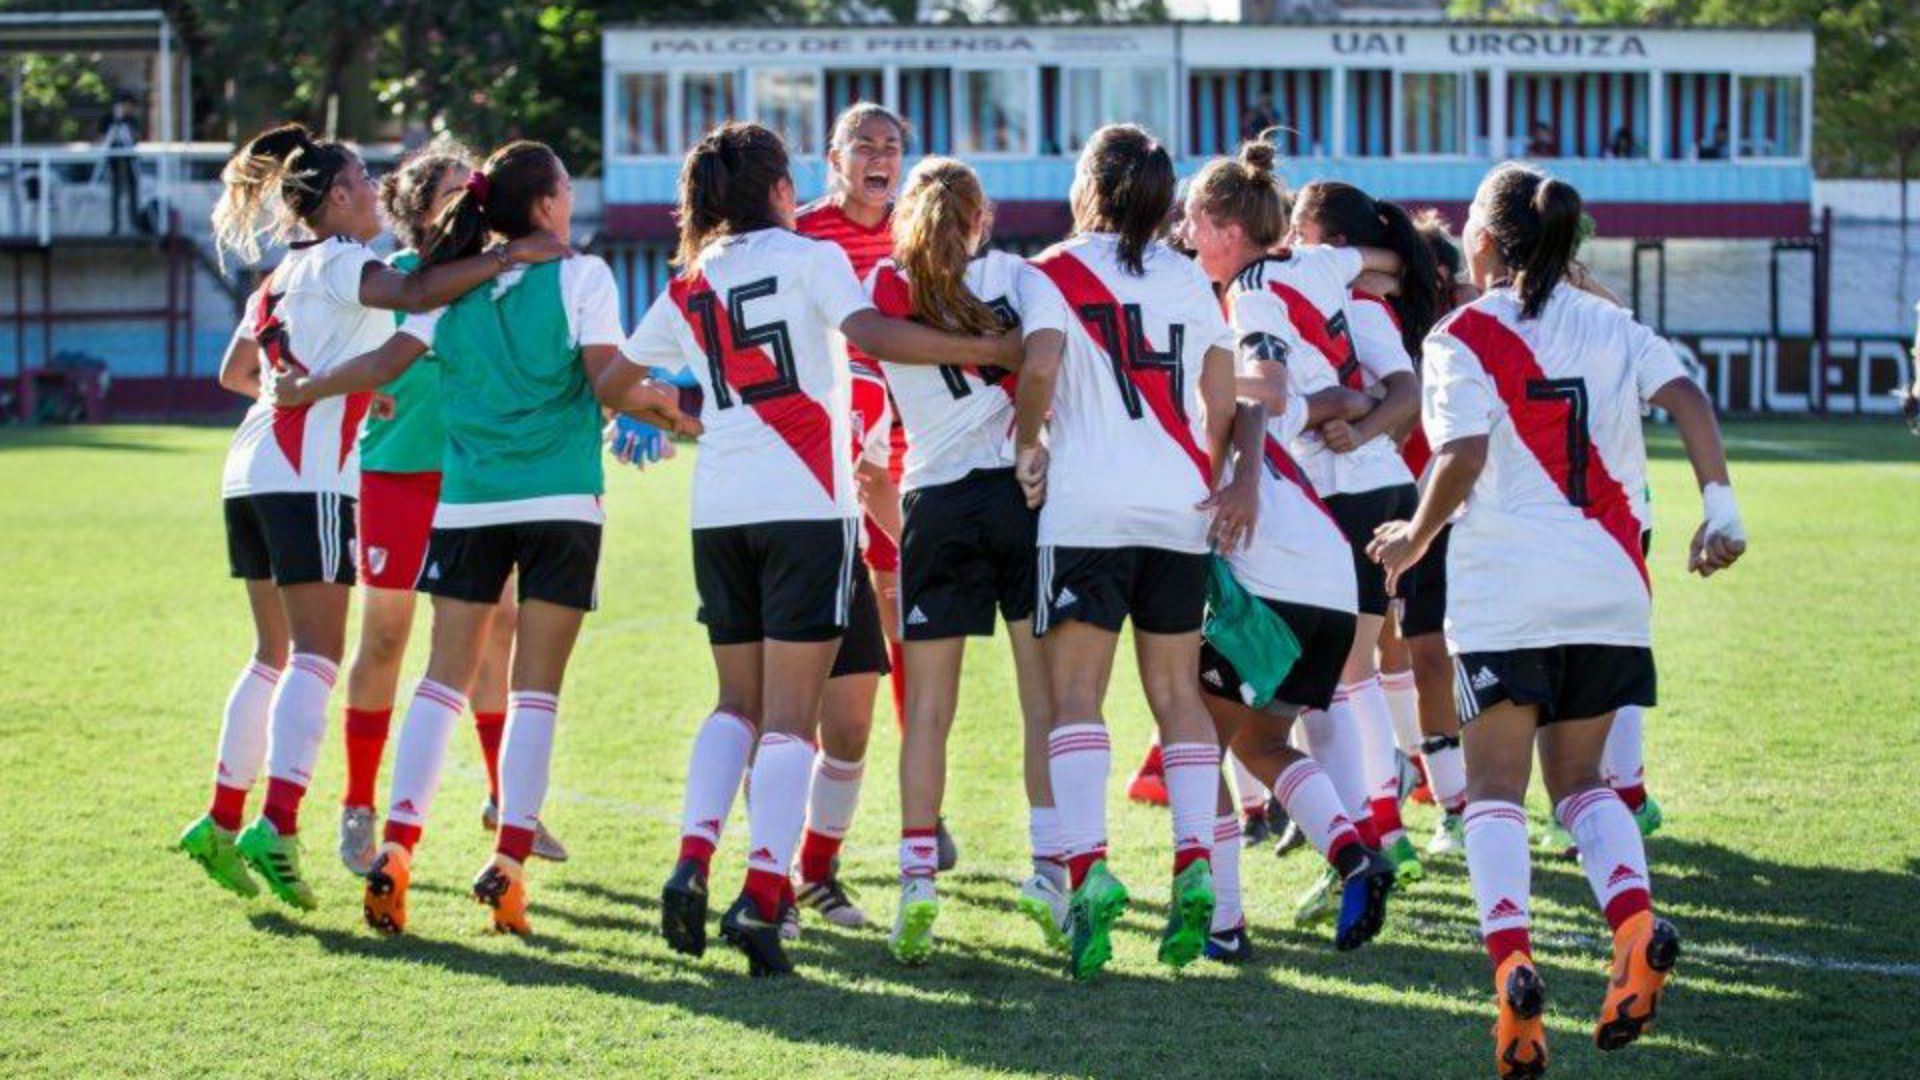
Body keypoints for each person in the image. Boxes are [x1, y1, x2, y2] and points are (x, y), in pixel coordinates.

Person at [1370, 161, 1746, 1077]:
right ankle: (1636, 922)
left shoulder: (1461, 333)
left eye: (1469, 221)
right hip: (1610, 591)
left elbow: (1458, 455)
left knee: (1496, 793)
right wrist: (1721, 507)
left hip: (1509, 596)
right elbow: (1688, 395)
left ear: (1489, 242)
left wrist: (1416, 538)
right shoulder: (1613, 322)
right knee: (1582, 787)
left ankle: (1515, 980)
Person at [628, 121, 1019, 978]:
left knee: (754, 706)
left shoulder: (692, 277)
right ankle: (765, 897)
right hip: (810, 510)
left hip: (721, 509)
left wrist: (679, 418)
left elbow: (615, 374)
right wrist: (986, 348)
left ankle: (699, 859)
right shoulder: (809, 256)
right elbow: (876, 336)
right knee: (788, 723)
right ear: (780, 190)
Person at [273, 140, 681, 935]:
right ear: (547, 202)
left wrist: (310, 387)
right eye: (565, 187)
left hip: (465, 504)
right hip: (561, 499)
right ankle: (510, 864)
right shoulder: (583, 275)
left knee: (438, 680)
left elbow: (385, 363)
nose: (571, 200)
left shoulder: (448, 286)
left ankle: (396, 848)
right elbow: (605, 376)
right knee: (535, 690)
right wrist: (668, 407)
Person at [175, 123, 568, 912]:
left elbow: (237, 372)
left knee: (270, 655)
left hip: (249, 469)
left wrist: (320, 391)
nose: (370, 189)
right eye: (359, 176)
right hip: (308, 475)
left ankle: (222, 819)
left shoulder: (278, 275)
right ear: (342, 196)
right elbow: (417, 294)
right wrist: (504, 256)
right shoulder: (348, 259)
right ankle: (278, 824)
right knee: (319, 656)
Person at [1018, 124, 1244, 981]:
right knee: (1177, 694)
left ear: (1090, 185)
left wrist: (1028, 439)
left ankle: (1088, 872)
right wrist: (1213, 474)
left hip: (1087, 507)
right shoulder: (1189, 276)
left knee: (1076, 696)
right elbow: (1219, 395)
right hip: (1176, 502)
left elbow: (1039, 365)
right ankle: (1194, 860)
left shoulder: (1052, 270)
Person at [1177, 139, 1399, 963]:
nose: (1185, 230)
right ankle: (1355, 853)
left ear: (1230, 227)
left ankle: (1225, 923)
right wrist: (1340, 396)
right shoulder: (1310, 268)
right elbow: (1374, 261)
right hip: (1325, 562)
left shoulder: (1252, 291)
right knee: (1263, 741)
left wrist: (1253, 449)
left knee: (1201, 732)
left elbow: (1264, 388)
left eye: (1197, 217)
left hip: (1273, 552)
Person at [332, 142, 566, 879]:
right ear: (418, 211)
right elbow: (357, 355)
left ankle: (504, 798)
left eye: (475, 189)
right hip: (397, 479)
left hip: (474, 481)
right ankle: (359, 804)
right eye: (450, 192)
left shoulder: (498, 282)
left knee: (498, 631)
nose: (469, 201)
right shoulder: (397, 282)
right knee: (388, 638)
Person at [862, 156, 1072, 964]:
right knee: (1041, 699)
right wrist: (1026, 439)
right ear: (981, 217)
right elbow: (1041, 358)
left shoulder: (885, 285)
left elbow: (868, 338)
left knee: (931, 710)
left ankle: (917, 881)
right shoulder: (1017, 275)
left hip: (936, 503)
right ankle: (1048, 872)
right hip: (1019, 496)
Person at [1280, 179, 1443, 910]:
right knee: (1358, 670)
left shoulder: (1351, 304)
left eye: (1300, 226)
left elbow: (1408, 398)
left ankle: (1378, 828)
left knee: (1346, 675)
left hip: (1357, 495)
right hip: (1367, 494)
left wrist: (1359, 427)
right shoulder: (1331, 296)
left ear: (1332, 244)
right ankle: (1384, 822)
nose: (1290, 236)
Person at [1394, 210, 1479, 859]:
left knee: (1484, 660)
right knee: (1423, 657)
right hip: (1415, 510)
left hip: (1481, 512)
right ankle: (1453, 806)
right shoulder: (1384, 322)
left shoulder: (1472, 323)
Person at [99, 95, 144, 234]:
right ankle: (115, 227)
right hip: (114, 162)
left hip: (130, 163)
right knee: (115, 194)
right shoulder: (108, 119)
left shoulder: (132, 121)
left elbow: (136, 138)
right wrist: (115, 125)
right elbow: (102, 138)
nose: (129, 109)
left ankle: (135, 224)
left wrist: (127, 130)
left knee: (133, 193)